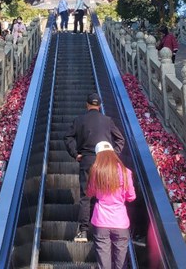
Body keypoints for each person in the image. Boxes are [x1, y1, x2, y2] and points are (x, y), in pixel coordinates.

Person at [64, 92, 125, 242]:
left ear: (87, 104)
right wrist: (112, 155)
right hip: (104, 162)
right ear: (100, 106)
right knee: (104, 194)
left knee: (86, 197)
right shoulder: (107, 120)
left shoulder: (79, 120)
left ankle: (83, 231)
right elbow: (120, 139)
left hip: (86, 160)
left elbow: (68, 136)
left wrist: (75, 154)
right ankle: (102, 230)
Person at [87, 141, 136, 269]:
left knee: (103, 261)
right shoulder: (125, 172)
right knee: (121, 261)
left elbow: (90, 193)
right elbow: (131, 197)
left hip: (101, 221)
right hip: (120, 221)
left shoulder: (96, 172)